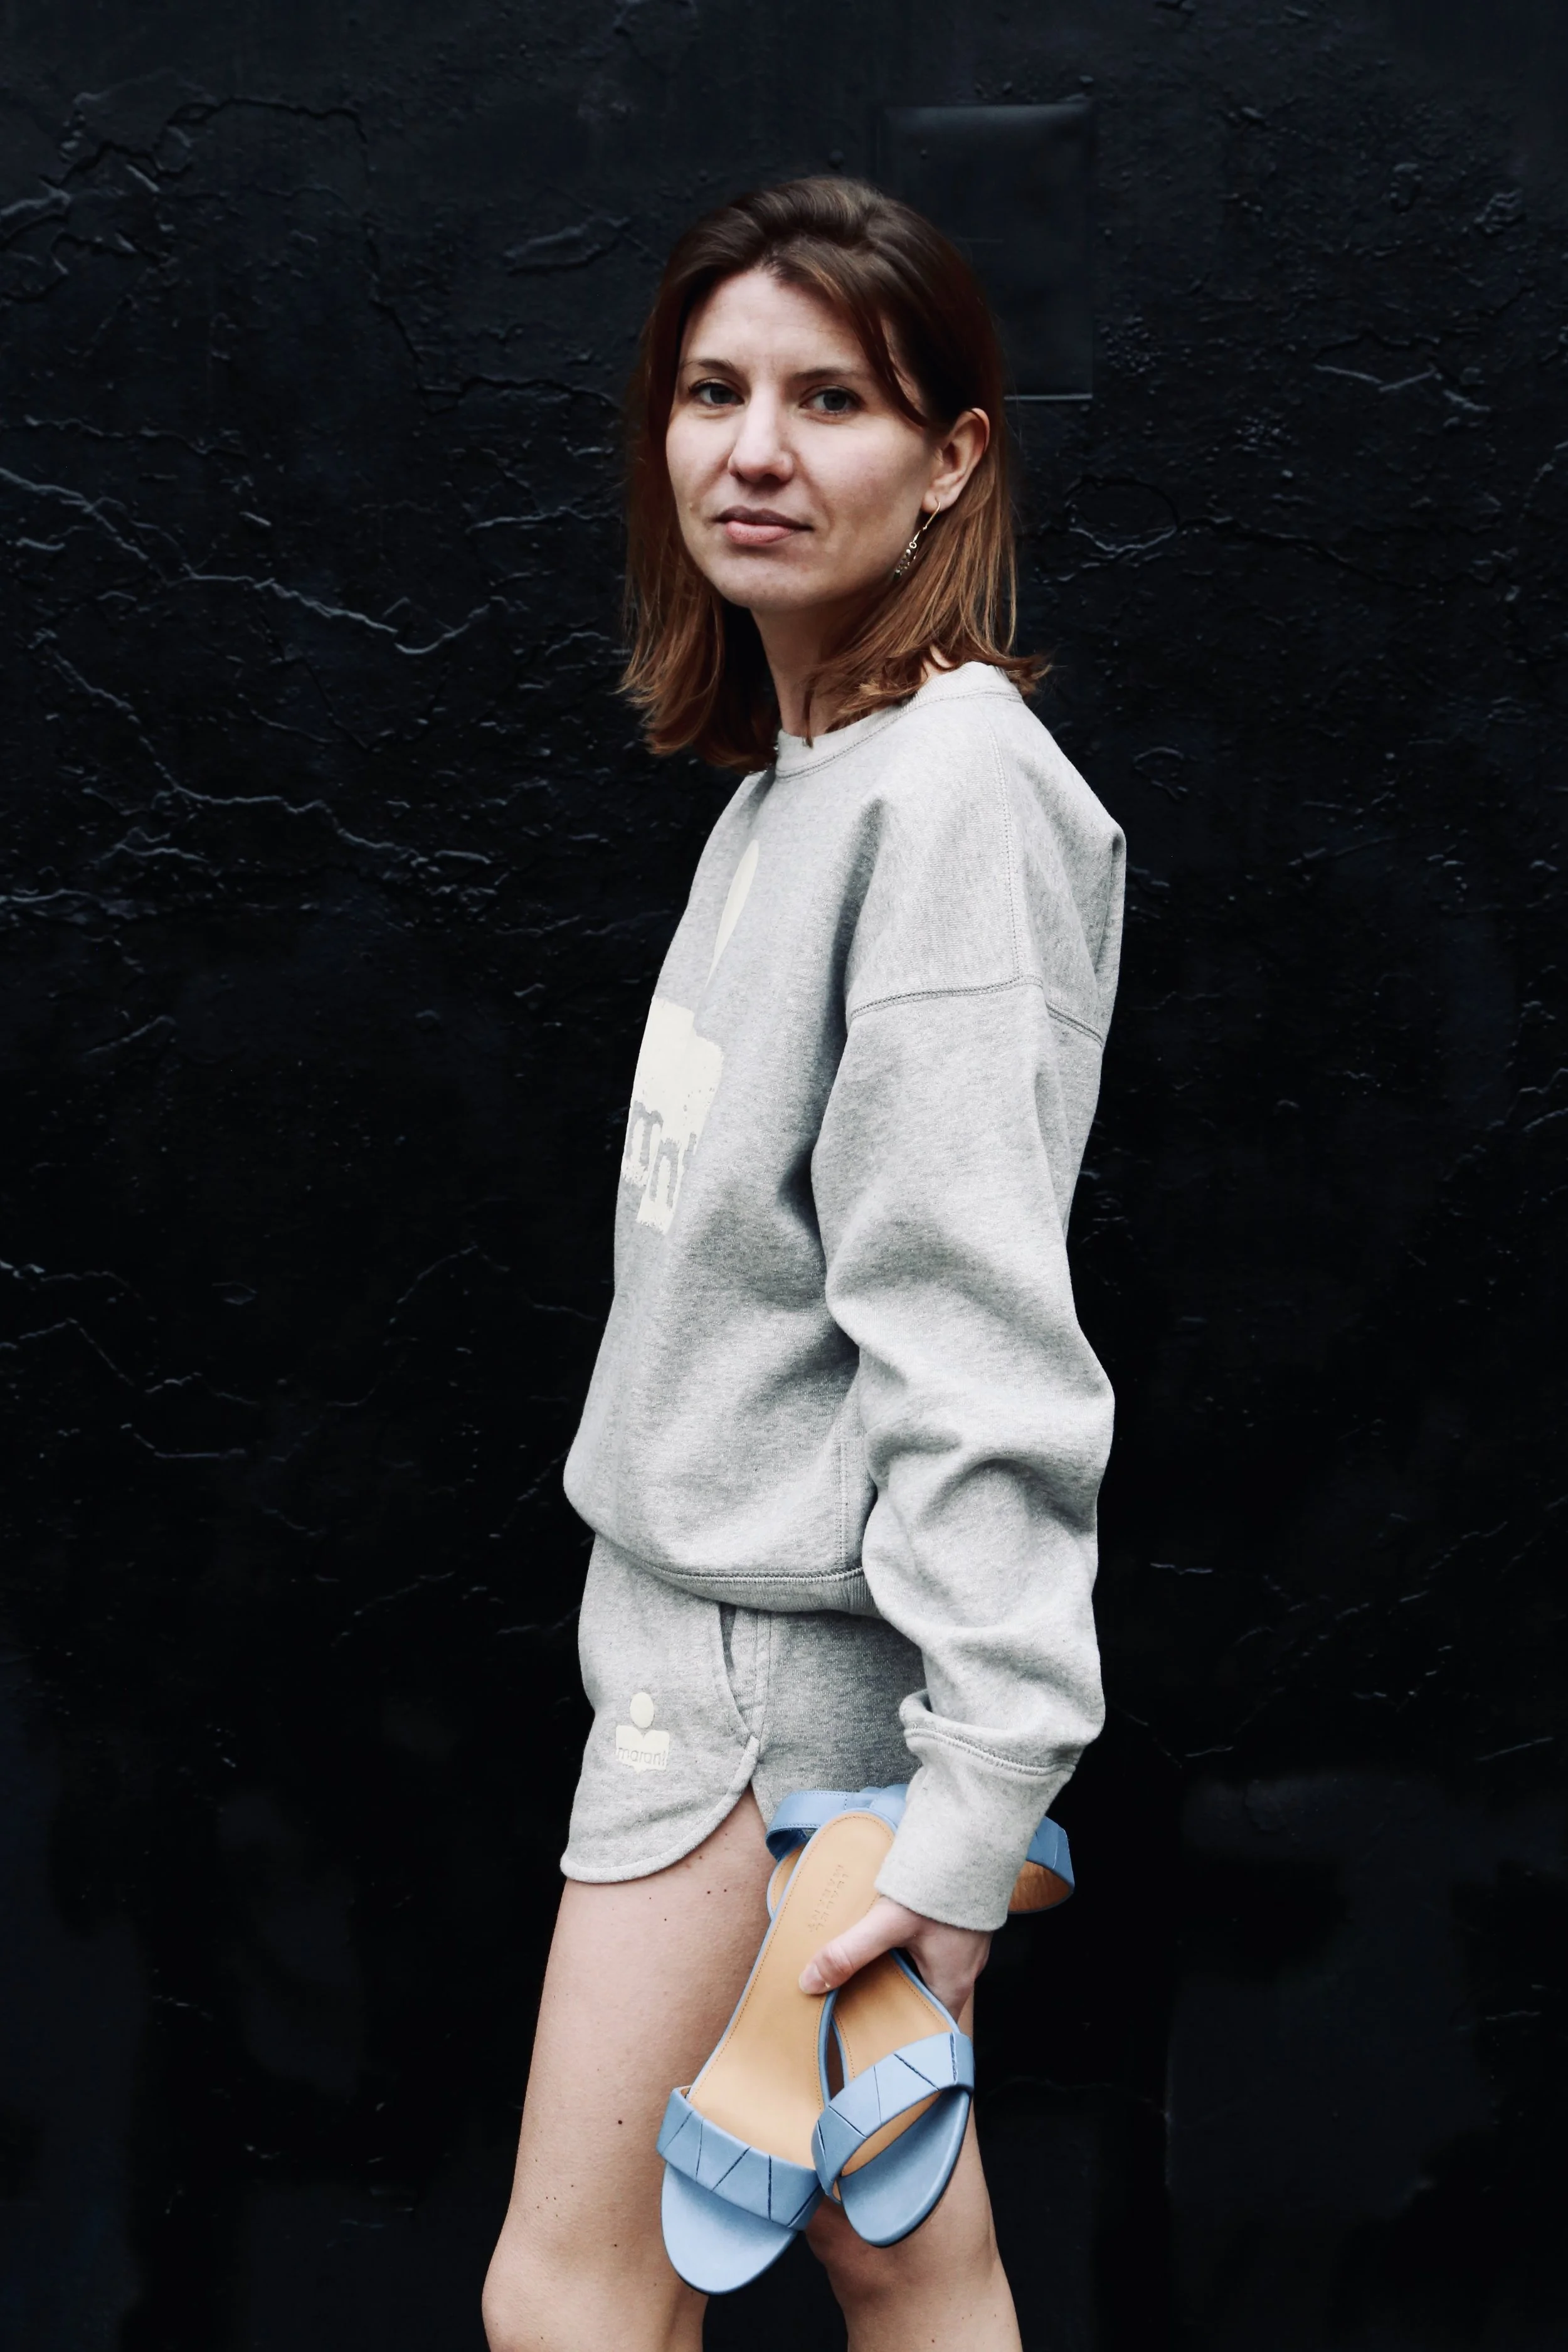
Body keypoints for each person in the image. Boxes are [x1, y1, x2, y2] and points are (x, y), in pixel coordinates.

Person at [482, 175, 1124, 2352]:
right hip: (700, 1649)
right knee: (894, 2251)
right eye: (711, 390)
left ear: (949, 457)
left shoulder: (950, 805)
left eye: (831, 397)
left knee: (576, 2292)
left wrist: (963, 1821)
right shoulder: (801, 791)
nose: (753, 448)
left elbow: (976, 1352)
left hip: (775, 1696)